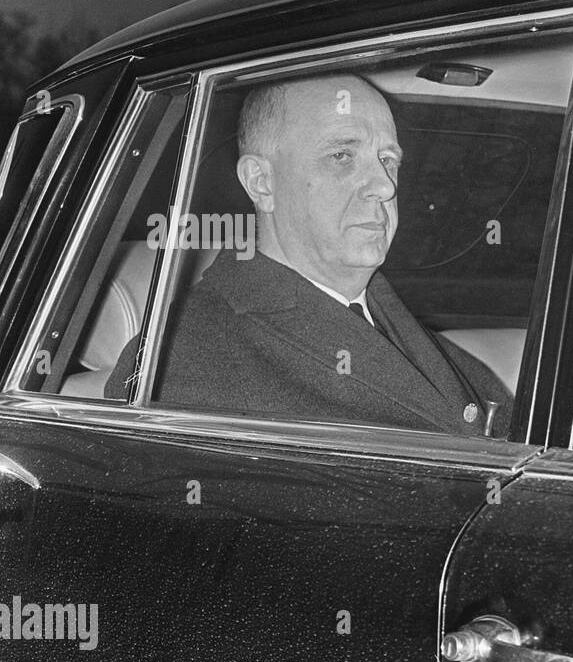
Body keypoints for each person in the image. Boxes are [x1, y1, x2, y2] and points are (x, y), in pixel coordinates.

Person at [106, 74, 512, 436]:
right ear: (261, 182)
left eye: (388, 160)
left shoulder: (393, 320)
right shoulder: (181, 360)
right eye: (342, 156)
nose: (385, 187)